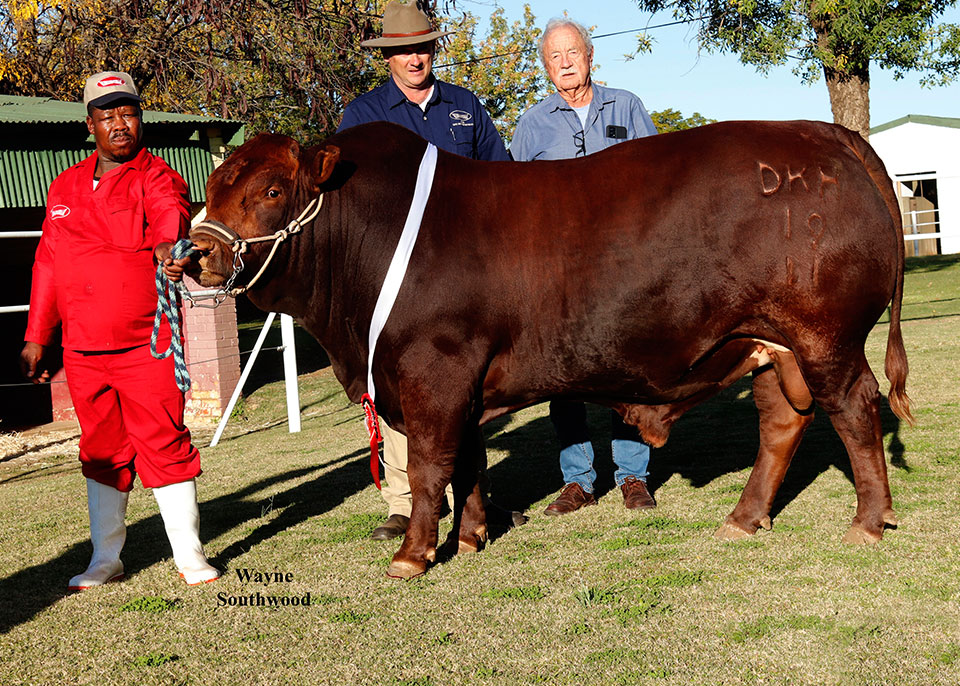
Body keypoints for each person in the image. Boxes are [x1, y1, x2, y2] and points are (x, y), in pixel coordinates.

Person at [20, 71, 220, 589]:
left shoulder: (157, 175)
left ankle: (189, 556)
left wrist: (169, 249)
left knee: (164, 441)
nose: (119, 124)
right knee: (101, 448)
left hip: (143, 343)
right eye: (107, 115)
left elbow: (168, 219)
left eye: (128, 112)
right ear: (91, 125)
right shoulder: (63, 186)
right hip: (82, 348)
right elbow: (47, 262)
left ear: (140, 117)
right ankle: (105, 558)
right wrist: (36, 335)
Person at [338, 0, 512, 541]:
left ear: (433, 48)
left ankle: (472, 502)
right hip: (396, 276)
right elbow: (345, 199)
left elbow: (501, 177)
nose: (414, 58)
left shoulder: (464, 106)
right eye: (403, 50)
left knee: (469, 381)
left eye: (422, 47)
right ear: (387, 56)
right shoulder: (363, 115)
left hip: (467, 272)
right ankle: (402, 501)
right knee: (403, 385)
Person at [511, 18, 659, 515]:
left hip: (624, 263)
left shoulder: (628, 106)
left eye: (573, 52)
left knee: (628, 367)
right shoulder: (532, 124)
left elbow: (658, 180)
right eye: (556, 56)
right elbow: (518, 204)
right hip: (561, 272)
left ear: (590, 56)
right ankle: (578, 482)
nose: (567, 62)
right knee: (564, 375)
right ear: (546, 67)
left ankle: (633, 477)